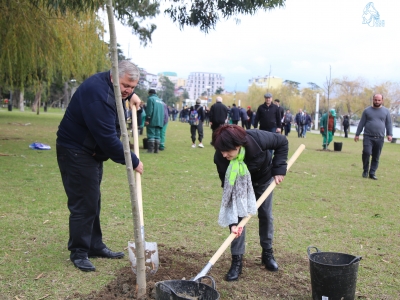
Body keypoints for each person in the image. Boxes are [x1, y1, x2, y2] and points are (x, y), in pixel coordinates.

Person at [56, 60, 144, 272]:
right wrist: (133, 160)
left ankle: (94, 245)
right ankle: (79, 252)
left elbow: (107, 136)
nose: (128, 90)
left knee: (93, 199)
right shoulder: (99, 97)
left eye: (133, 87)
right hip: (76, 151)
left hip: (91, 151)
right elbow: (108, 139)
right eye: (125, 86)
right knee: (84, 203)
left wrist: (130, 95)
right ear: (114, 77)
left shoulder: (111, 85)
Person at [213, 125, 288, 281]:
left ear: (238, 145)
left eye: (228, 151)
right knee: (239, 220)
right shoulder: (221, 158)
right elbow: (228, 191)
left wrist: (279, 169)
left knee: (266, 215)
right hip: (239, 186)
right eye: (221, 150)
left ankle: (267, 253)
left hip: (263, 179)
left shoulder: (257, 139)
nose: (224, 154)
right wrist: (232, 222)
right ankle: (237, 262)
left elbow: (282, 141)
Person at [354, 94, 392, 180]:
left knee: (376, 156)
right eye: (375, 100)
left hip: (380, 137)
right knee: (366, 153)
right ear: (373, 100)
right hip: (368, 136)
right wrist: (357, 134)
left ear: (382, 100)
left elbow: (389, 123)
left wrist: (389, 134)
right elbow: (361, 123)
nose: (377, 102)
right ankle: (365, 170)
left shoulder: (386, 111)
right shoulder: (367, 110)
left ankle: (372, 173)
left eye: (379, 100)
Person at [145, 89, 164, 153]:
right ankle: (156, 150)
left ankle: (150, 150)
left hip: (152, 120)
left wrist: (147, 119)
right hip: (160, 121)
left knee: (151, 134)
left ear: (149, 93)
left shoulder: (150, 99)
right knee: (157, 135)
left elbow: (149, 110)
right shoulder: (160, 101)